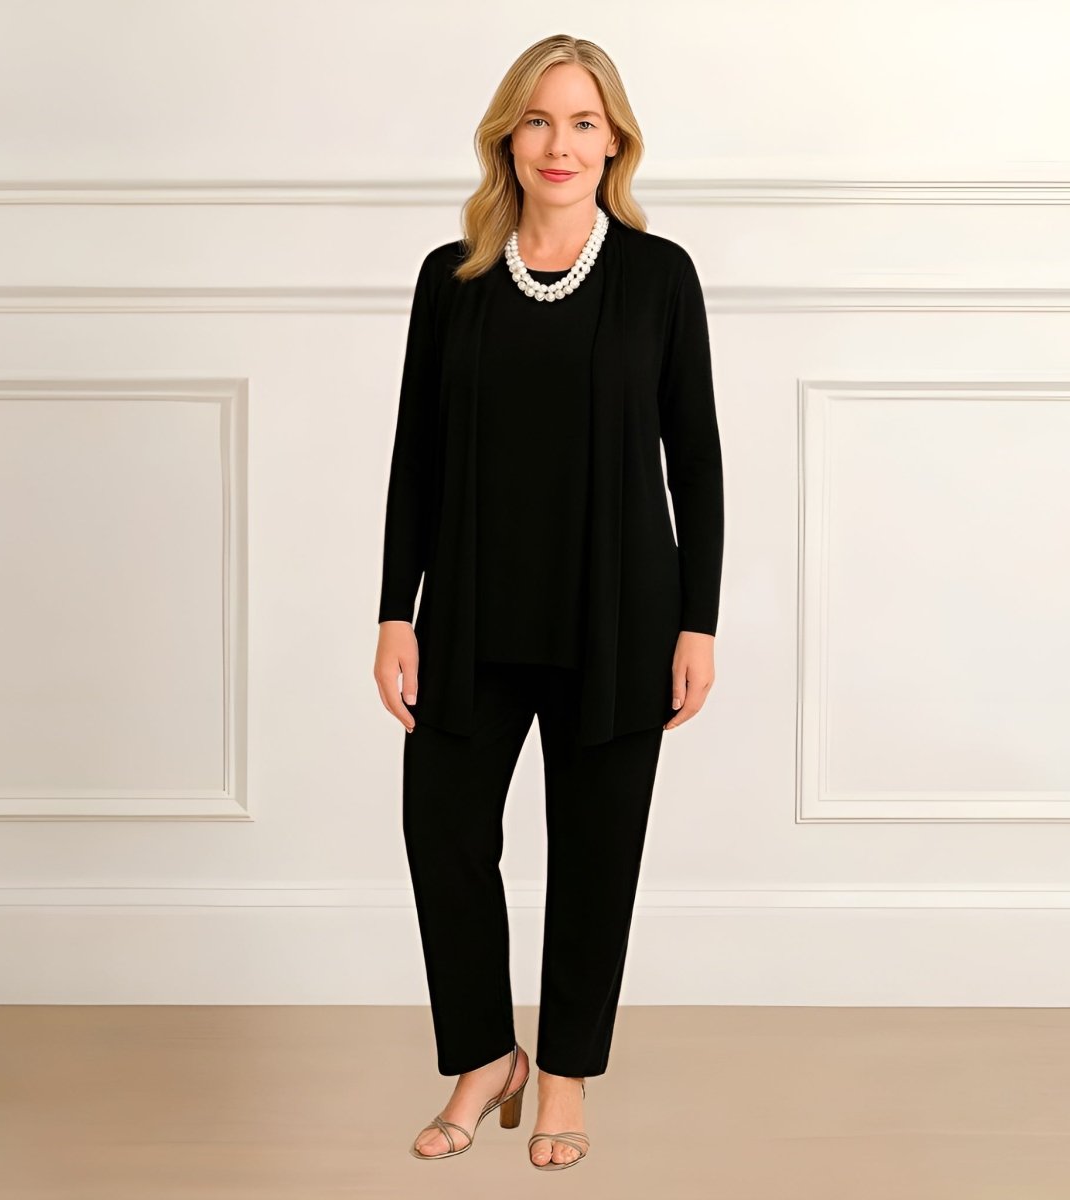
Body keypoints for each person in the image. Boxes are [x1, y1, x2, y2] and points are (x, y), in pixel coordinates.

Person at [373, 33, 724, 1171]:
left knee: (595, 854)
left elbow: (695, 459)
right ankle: (487, 1057)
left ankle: (565, 1073)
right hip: (472, 616)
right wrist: (394, 611)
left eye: (581, 122)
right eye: (537, 120)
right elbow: (417, 455)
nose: (558, 144)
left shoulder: (658, 276)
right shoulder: (454, 278)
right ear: (506, 139)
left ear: (613, 141)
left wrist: (699, 622)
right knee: (442, 832)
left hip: (620, 618)